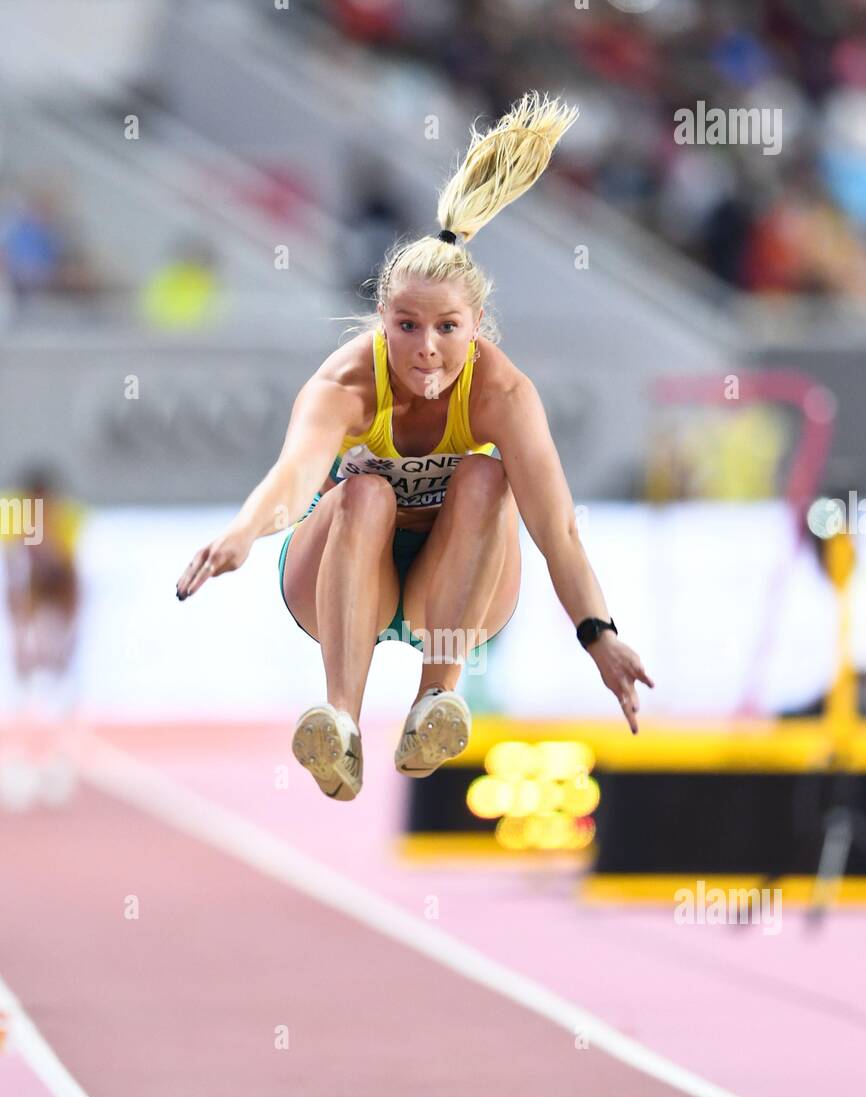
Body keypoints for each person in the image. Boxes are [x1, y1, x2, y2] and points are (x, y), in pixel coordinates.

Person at [176, 92, 653, 801]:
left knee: (489, 480)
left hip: (453, 590)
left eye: (447, 329)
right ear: (381, 319)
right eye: (405, 327)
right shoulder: (346, 383)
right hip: (343, 581)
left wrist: (599, 634)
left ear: (477, 324)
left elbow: (558, 533)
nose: (426, 352)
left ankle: (437, 697)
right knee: (362, 490)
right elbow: (295, 475)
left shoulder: (503, 396)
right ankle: (341, 722)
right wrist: (244, 532)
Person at [1, 465, 84, 807]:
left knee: (54, 693)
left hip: (47, 615)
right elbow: (15, 577)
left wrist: (66, 634)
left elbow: (69, 579)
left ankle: (53, 762)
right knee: (21, 693)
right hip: (25, 615)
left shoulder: (66, 520)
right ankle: (19, 762)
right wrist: (20, 633)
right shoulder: (14, 518)